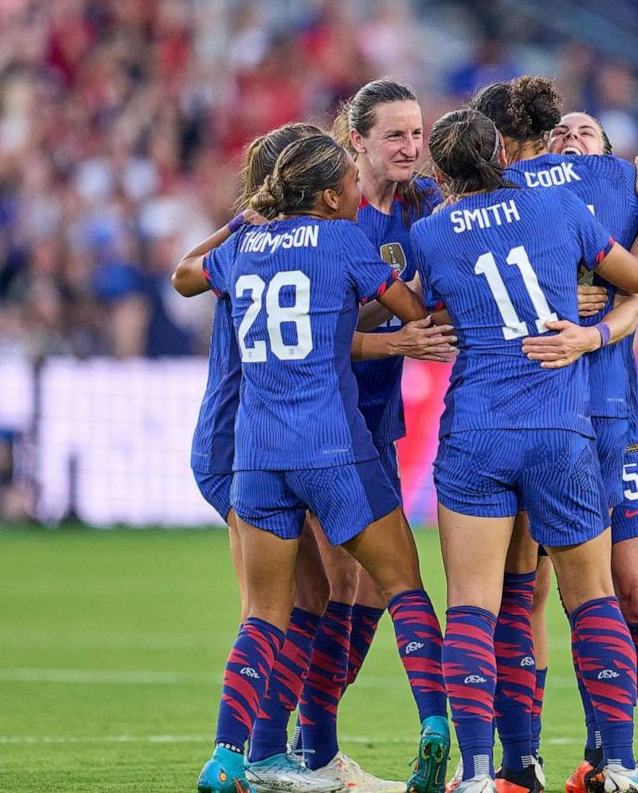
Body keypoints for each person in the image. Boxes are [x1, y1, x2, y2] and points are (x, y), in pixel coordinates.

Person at [410, 108, 638, 793]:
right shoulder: (557, 204)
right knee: (593, 599)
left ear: (440, 172)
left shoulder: (430, 232)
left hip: (476, 432)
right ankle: (616, 765)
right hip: (560, 428)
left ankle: (475, 774)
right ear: (505, 153)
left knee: (471, 604)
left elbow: (421, 311)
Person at [195, 134, 452, 793]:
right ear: (332, 194)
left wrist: (240, 221)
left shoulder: (244, 247)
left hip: (256, 460)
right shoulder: (344, 242)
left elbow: (185, 275)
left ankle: (227, 758)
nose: (357, 193)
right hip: (333, 450)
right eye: (348, 182)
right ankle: (434, 728)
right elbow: (413, 313)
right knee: (404, 586)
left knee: (264, 614)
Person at [498, 94, 638, 793]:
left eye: (586, 130)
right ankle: (524, 761)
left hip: (613, 422)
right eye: (560, 130)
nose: (572, 135)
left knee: (634, 590)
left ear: (609, 156)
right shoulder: (521, 217)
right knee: (530, 593)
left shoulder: (620, 211)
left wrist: (611, 299)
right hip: (535, 421)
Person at [172, 122, 347, 793]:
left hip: (246, 439)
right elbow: (185, 275)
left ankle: (262, 751)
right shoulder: (258, 244)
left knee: (306, 593)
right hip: (241, 443)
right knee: (271, 603)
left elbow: (187, 273)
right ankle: (252, 753)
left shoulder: (257, 246)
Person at [296, 79, 457, 793]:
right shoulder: (325, 208)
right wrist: (396, 336)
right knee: (339, 586)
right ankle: (307, 750)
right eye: (395, 135)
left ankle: (313, 744)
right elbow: (313, 335)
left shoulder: (424, 205)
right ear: (355, 141)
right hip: (317, 420)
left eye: (417, 134)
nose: (411, 148)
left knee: (364, 594)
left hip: (376, 420)